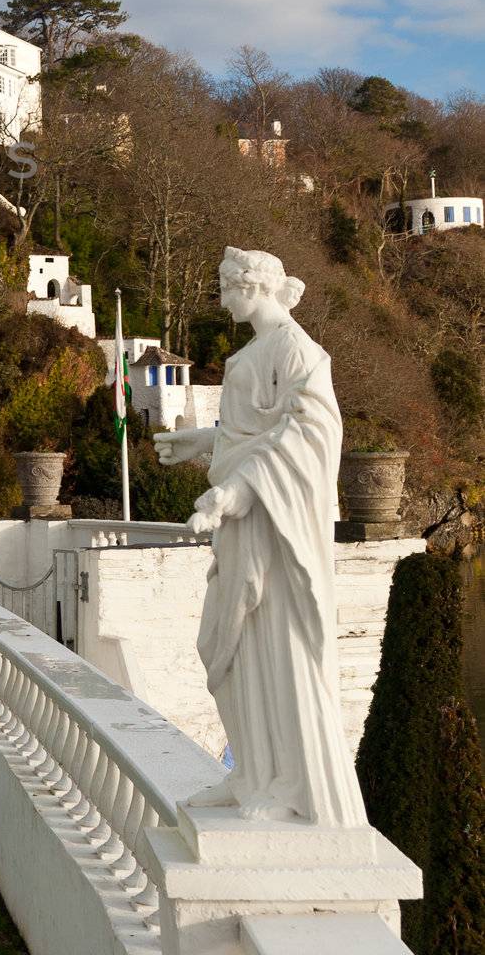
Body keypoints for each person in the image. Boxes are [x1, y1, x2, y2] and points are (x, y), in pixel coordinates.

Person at [155, 246, 365, 826]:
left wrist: (233, 492)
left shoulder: (298, 350)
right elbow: (257, 432)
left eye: (226, 284)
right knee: (229, 646)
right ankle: (251, 771)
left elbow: (310, 438)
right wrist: (204, 442)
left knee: (275, 647)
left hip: (275, 532)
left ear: (256, 287)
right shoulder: (252, 353)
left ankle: (288, 782)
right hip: (248, 524)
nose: (219, 295)